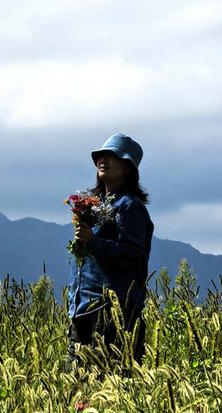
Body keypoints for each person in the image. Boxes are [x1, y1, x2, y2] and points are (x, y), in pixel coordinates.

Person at [66, 133, 154, 374]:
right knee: (76, 386)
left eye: (112, 156)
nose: (103, 161)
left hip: (111, 313)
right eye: (100, 156)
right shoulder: (94, 207)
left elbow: (130, 254)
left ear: (127, 168)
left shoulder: (129, 206)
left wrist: (93, 241)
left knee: (107, 382)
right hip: (83, 309)